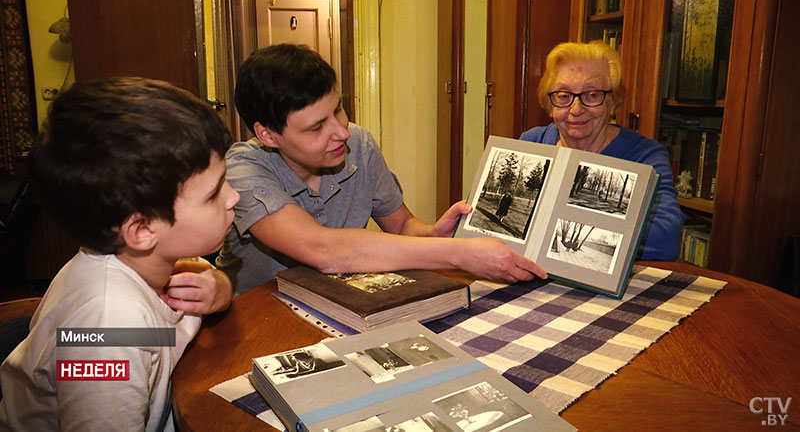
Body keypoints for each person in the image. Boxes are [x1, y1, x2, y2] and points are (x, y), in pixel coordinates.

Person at [0, 77, 240, 431]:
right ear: (142, 231)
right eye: (214, 193)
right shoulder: (108, 327)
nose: (233, 197)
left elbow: (159, 337)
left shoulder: (151, 262)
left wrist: (219, 288)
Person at [216, 44, 547, 294]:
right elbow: (322, 249)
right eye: (317, 127)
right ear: (267, 134)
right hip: (258, 317)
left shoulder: (358, 144)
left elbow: (401, 224)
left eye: (339, 110)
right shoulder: (241, 170)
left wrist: (433, 233)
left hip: (340, 302)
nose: (341, 131)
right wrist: (458, 253)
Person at [520, 41, 683, 260]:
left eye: (592, 95)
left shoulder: (644, 155)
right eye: (563, 95)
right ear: (550, 105)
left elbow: (663, 239)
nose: (576, 109)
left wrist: (544, 225)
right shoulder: (533, 142)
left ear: (612, 103)